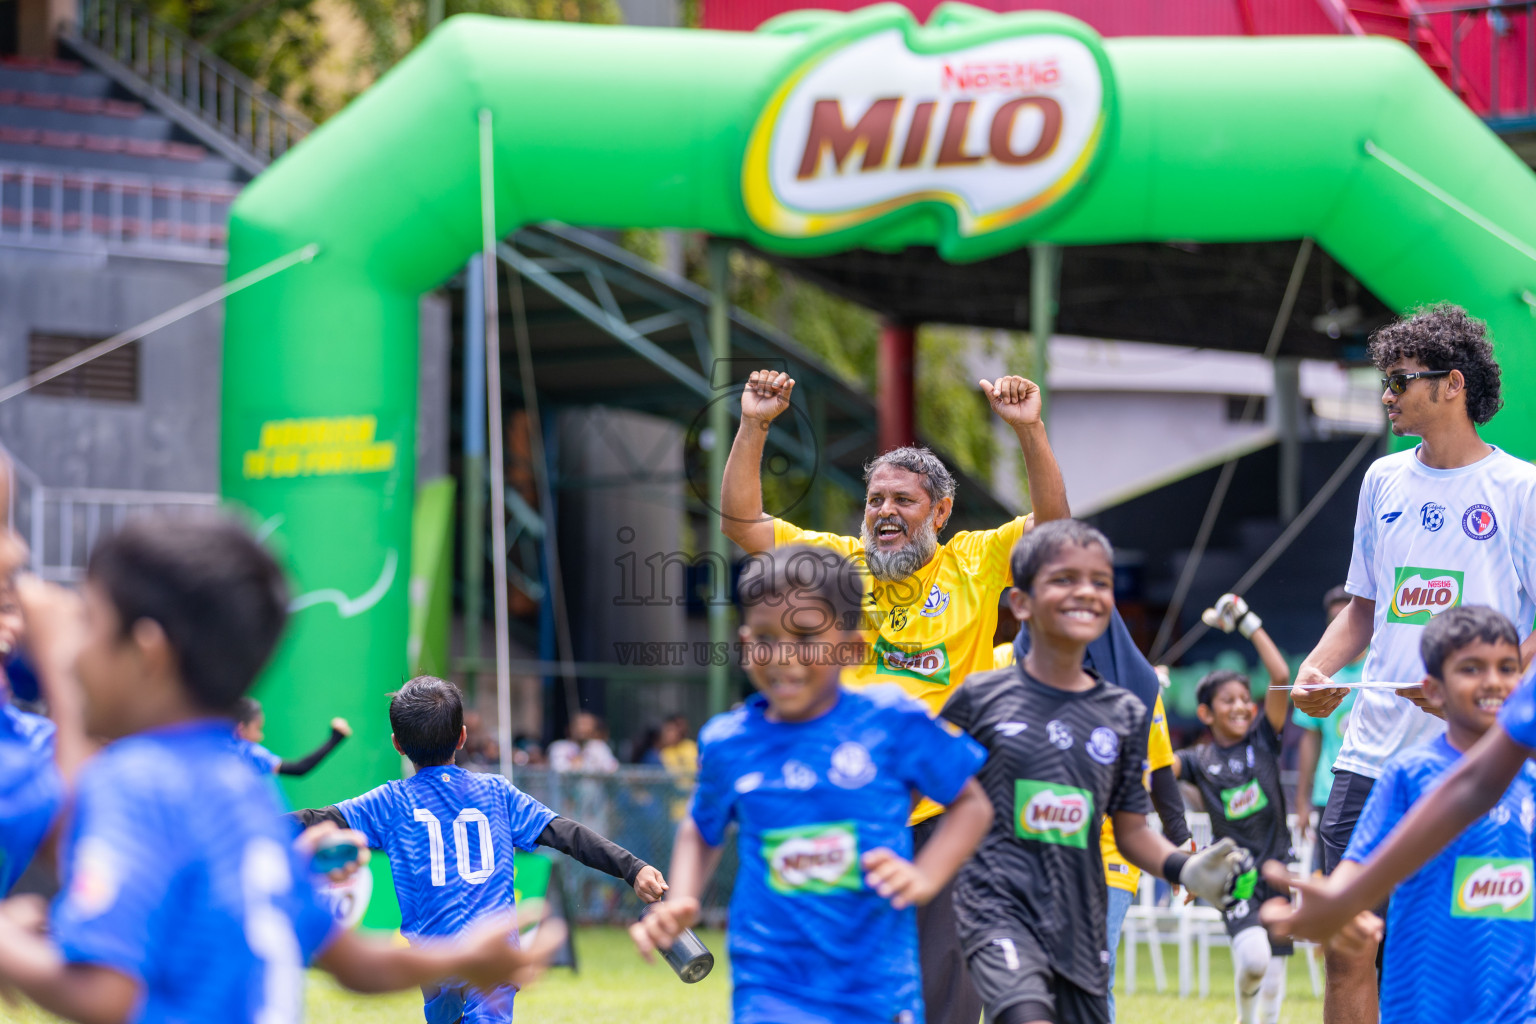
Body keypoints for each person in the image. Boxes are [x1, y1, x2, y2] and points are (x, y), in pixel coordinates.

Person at [0, 514, 564, 1024]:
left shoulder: (139, 781)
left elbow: (102, 994)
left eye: (90, 624)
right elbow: (357, 966)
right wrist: (467, 955)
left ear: (149, 653)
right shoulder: (240, 790)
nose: (72, 649)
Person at [721, 368, 1070, 1024]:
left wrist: (1029, 432)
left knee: (944, 996)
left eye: (903, 501)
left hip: (947, 811)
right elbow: (743, 523)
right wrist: (755, 423)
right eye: (875, 499)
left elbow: (1053, 531)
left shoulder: (974, 561)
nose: (884, 512)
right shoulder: (835, 562)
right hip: (850, 806)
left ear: (938, 512)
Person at [1288, 304, 1536, 1024]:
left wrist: (1487, 698)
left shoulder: (1520, 489)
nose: (1387, 395)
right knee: (1349, 941)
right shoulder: (1383, 481)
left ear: (1452, 384)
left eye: (1399, 380)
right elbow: (1365, 608)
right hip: (1370, 756)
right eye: (1385, 381)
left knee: (1473, 940)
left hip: (1475, 759)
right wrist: (1318, 667)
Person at [631, 545, 995, 1024]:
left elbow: (972, 805)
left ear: (853, 648)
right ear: (743, 644)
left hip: (876, 985)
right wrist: (682, 898)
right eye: (764, 637)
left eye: (804, 637)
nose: (783, 657)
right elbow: (701, 829)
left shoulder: (892, 722)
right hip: (770, 981)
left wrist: (925, 876)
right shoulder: (728, 741)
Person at [942, 520, 1252, 1024]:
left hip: (1085, 902)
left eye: (1099, 582)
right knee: (1026, 1012)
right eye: (1063, 579)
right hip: (999, 901)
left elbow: (1131, 828)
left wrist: (1183, 865)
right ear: (1020, 603)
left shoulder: (1125, 712)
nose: (1084, 592)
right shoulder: (980, 695)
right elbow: (928, 792)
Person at [292, 675, 667, 1024]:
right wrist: (632, 868)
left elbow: (314, 819)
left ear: (397, 744)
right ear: (462, 737)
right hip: (493, 954)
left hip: (432, 960)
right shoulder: (496, 792)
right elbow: (564, 833)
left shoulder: (390, 802)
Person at [1265, 606, 1536, 1024]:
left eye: (1507, 667)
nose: (1493, 682)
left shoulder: (1529, 779)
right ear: (1433, 689)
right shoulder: (1409, 773)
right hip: (1422, 1005)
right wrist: (1342, 900)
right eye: (1471, 668)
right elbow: (1361, 862)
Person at [990, 639, 1189, 1023]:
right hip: (1027, 844)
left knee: (1093, 968)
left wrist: (1182, 844)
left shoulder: (1136, 678)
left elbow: (1161, 769)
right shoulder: (1001, 660)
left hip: (1112, 847)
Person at [1172, 593, 1295, 1024]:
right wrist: (1148, 695)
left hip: (1279, 867)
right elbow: (1155, 767)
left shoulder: (1263, 740)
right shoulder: (1196, 760)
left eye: (1245, 698)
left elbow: (1280, 674)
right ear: (1205, 712)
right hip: (1235, 874)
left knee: (1276, 978)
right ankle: (1245, 1019)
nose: (1241, 706)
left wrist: (1244, 619)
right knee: (1256, 962)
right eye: (1228, 701)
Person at [1293, 586, 1361, 869]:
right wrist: (1301, 800)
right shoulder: (1319, 674)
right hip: (1328, 790)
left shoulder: (1378, 669)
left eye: (1346, 617)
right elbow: (1310, 740)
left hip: (1373, 784)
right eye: (1333, 620)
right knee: (1329, 875)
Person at [233, 695, 352, 776]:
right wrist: (335, 738)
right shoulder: (250, 752)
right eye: (258, 729)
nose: (260, 736)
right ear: (241, 729)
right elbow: (299, 769)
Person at [548, 710, 620, 773]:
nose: (582, 728)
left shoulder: (599, 747)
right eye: (579, 724)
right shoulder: (559, 747)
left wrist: (585, 764)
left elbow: (612, 767)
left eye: (586, 724)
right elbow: (557, 768)